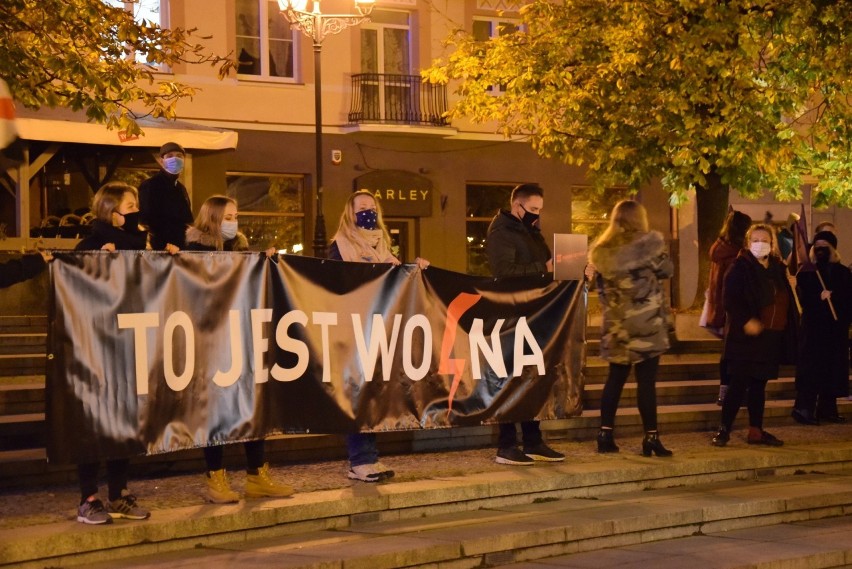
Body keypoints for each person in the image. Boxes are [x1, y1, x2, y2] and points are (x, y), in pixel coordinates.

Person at [184, 195, 294, 502]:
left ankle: (256, 473)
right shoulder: (194, 251)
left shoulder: (240, 249)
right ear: (213, 219)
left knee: (251, 404)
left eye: (236, 216)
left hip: (241, 335)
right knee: (215, 410)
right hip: (209, 339)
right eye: (229, 216)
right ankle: (215, 478)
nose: (235, 222)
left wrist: (264, 261)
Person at [328, 190, 429, 482]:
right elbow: (337, 283)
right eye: (361, 207)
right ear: (350, 213)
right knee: (359, 394)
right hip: (354, 329)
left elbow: (396, 279)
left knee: (373, 393)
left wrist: (414, 267)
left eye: (372, 207)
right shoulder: (340, 246)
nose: (367, 211)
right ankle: (359, 460)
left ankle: (370, 458)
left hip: (378, 329)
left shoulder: (383, 248)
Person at [74, 182, 150, 524]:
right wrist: (95, 265)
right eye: (129, 205)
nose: (135, 211)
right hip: (94, 346)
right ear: (111, 210)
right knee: (92, 423)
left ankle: (119, 493)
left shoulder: (139, 244)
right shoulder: (90, 244)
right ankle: (88, 497)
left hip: (127, 343)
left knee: (123, 420)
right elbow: (73, 287)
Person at [485, 183, 565, 466]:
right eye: (532, 210)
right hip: (510, 317)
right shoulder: (501, 232)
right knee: (511, 380)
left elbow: (548, 265)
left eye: (540, 211)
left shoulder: (530, 232)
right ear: (516, 206)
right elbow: (503, 272)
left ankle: (533, 440)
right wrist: (545, 269)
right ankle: (506, 444)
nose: (537, 216)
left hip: (533, 315)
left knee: (531, 378)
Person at [588, 199, 674, 457]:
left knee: (614, 380)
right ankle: (651, 438)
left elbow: (598, 288)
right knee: (646, 383)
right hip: (647, 325)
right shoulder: (650, 246)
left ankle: (605, 434)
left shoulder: (602, 250)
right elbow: (667, 270)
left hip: (617, 327)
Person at [712, 223, 792, 448]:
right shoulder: (740, 267)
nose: (760, 244)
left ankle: (756, 430)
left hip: (770, 336)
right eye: (755, 240)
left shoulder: (777, 268)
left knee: (759, 385)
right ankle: (724, 429)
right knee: (738, 384)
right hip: (746, 338)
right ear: (748, 243)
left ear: (772, 244)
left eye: (764, 240)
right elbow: (730, 299)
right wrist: (747, 320)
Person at [791, 230, 852, 425]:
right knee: (811, 370)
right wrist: (818, 298)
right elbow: (801, 300)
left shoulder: (843, 272)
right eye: (817, 246)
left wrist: (835, 298)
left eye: (825, 245)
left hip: (835, 331)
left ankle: (828, 409)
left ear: (832, 248)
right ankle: (803, 408)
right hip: (813, 331)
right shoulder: (808, 273)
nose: (820, 249)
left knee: (832, 369)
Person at [704, 210, 752, 406]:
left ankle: (725, 392)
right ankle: (735, 393)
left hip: (722, 308)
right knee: (737, 353)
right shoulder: (736, 255)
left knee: (727, 352)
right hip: (734, 309)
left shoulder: (720, 249)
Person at [138, 142, 193, 253]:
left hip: (179, 250)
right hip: (160, 251)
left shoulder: (181, 188)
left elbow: (186, 219)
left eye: (179, 156)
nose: (175, 159)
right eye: (170, 156)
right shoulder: (150, 185)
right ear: (161, 161)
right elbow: (146, 220)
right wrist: (161, 246)